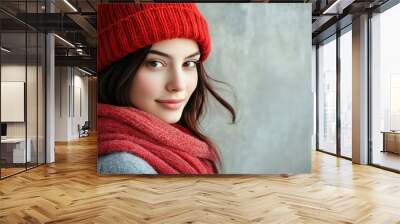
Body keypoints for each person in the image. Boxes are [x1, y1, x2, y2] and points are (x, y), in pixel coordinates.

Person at [97, 3, 235, 175]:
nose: (179, 84)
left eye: (189, 63)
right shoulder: (124, 166)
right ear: (118, 69)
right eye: (155, 63)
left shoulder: (180, 144)